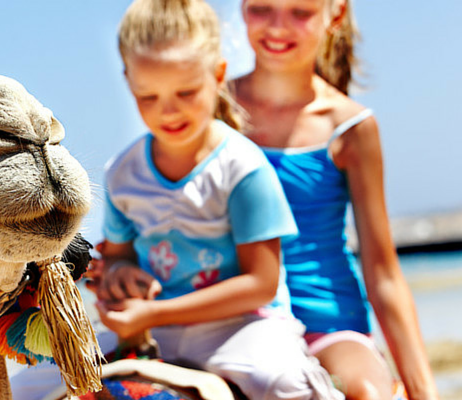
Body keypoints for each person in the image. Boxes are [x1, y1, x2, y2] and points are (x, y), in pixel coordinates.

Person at [94, 1, 340, 399]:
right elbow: (120, 257)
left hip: (243, 326)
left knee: (281, 382)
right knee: (34, 384)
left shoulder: (242, 167)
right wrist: (121, 278)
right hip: (157, 331)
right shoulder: (122, 173)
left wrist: (155, 312)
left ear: (218, 74)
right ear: (128, 81)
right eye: (148, 96)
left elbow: (261, 284)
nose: (168, 111)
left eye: (186, 92)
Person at [230, 0, 438, 399]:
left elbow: (383, 273)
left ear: (335, 14)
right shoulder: (204, 109)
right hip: (236, 321)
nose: (277, 27)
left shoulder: (350, 127)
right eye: (261, 9)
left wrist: (424, 390)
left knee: (366, 392)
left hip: (330, 324)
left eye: (300, 12)